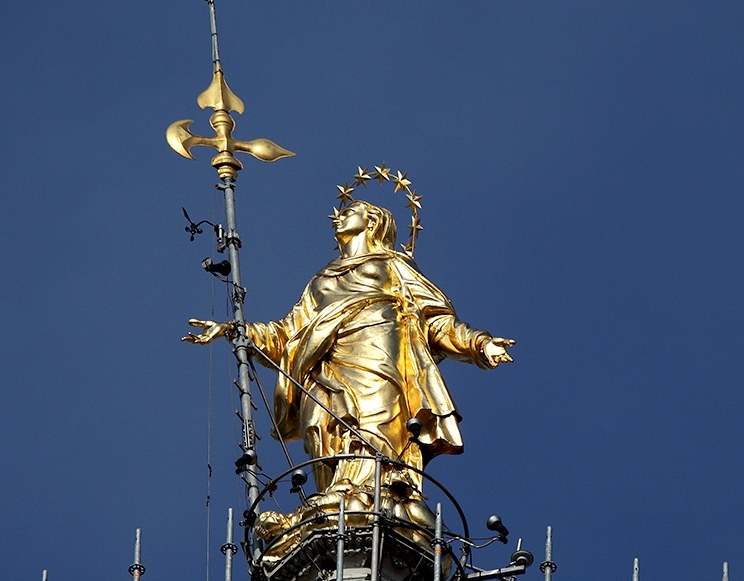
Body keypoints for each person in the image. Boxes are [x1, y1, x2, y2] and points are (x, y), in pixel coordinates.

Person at [185, 201, 513, 503]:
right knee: (319, 421)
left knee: (376, 418)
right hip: (323, 359)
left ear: (372, 222)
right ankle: (338, 490)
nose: (338, 215)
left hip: (378, 348)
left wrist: (479, 344)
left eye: (350, 210)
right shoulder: (322, 279)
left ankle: (377, 491)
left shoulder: (394, 265)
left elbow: (435, 323)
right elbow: (287, 333)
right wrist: (233, 329)